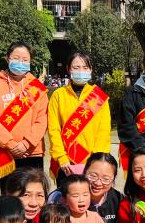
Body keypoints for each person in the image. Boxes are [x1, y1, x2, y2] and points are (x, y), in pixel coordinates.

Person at [0, 42, 49, 192]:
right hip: (6, 151)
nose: (20, 62)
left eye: (25, 60)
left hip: (33, 151)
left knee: (33, 196)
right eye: (16, 58)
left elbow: (42, 119)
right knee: (10, 197)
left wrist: (26, 143)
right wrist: (10, 144)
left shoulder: (37, 87)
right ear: (7, 59)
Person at [47, 52, 111, 183]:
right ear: (68, 69)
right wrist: (61, 157)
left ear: (91, 70)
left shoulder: (99, 96)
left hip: (92, 163)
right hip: (66, 163)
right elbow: (53, 129)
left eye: (85, 67)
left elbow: (104, 131)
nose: (81, 71)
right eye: (76, 67)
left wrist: (95, 160)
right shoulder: (58, 95)